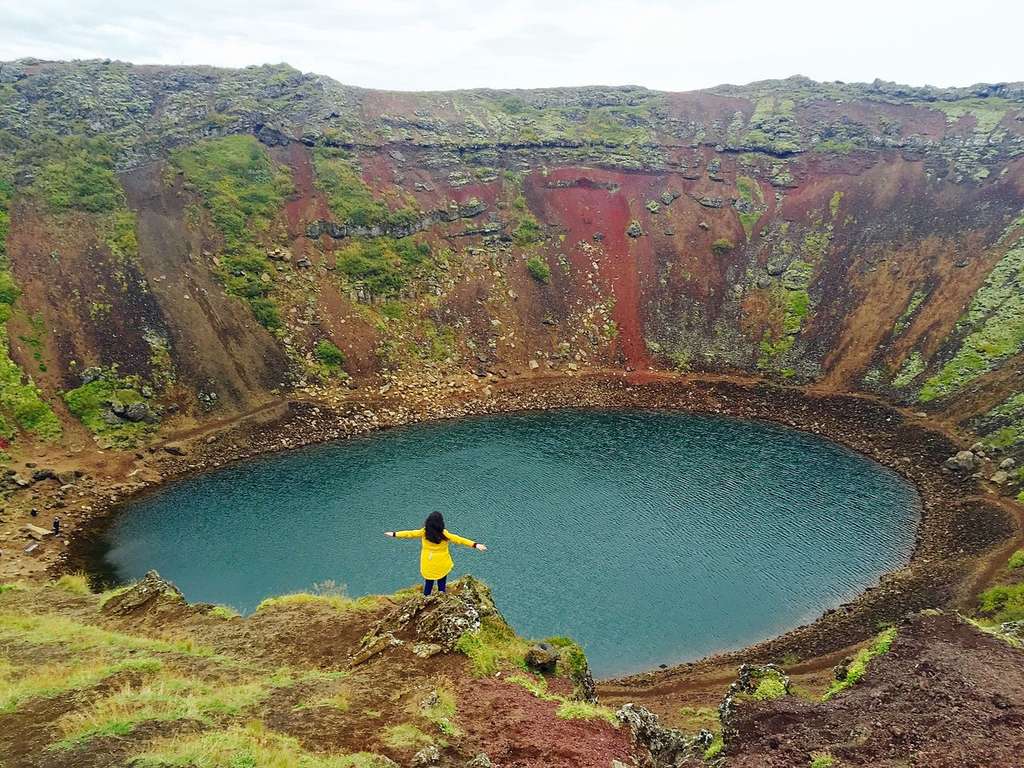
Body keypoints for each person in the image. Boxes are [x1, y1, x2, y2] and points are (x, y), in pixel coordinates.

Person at [385, 511, 487, 595]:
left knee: (428, 583)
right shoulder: (444, 534)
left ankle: (426, 598)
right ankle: (441, 595)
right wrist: (475, 545)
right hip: (442, 562)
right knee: (441, 582)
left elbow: (409, 533)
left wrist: (394, 534)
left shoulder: (424, 532)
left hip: (428, 562)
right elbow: (459, 539)